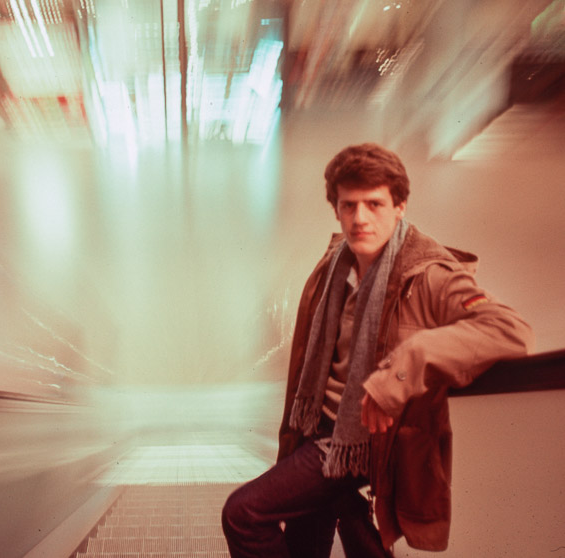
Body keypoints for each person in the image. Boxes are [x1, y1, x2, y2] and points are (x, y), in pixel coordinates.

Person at [222, 143, 534, 557]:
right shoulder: (334, 265)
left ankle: (345, 503)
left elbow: (510, 329)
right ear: (336, 208)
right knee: (306, 543)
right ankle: (346, 506)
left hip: (368, 441)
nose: (360, 218)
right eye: (349, 205)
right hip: (319, 432)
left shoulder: (427, 274)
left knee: (243, 514)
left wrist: (408, 361)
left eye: (374, 204)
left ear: (400, 206)